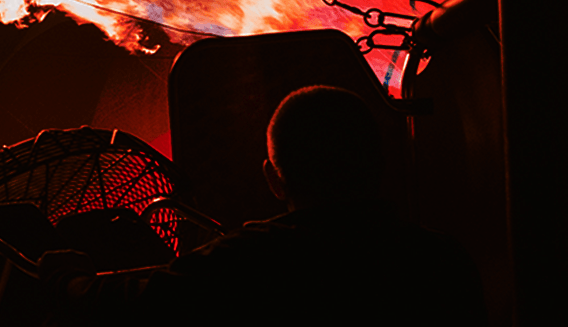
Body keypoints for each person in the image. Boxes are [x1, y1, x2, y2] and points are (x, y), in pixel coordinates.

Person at [56, 85, 485, 326]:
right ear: (380, 163)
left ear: (274, 180)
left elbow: (127, 305)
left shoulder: (249, 261)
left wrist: (67, 277)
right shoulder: (444, 259)